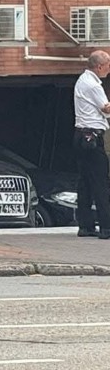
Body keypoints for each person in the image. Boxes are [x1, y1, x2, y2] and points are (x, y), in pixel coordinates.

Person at [72, 50, 110, 239]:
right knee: (101, 182)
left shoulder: (82, 80)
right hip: (93, 136)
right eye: (108, 65)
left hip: (81, 136)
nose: (109, 69)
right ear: (99, 66)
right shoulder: (94, 85)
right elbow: (105, 108)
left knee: (85, 182)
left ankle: (85, 226)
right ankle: (106, 227)